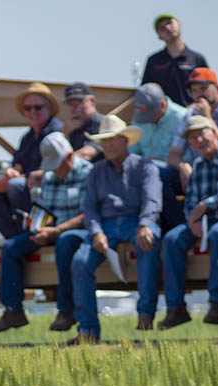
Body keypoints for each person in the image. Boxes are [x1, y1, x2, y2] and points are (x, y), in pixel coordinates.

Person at [0, 132, 92, 334]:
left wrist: (57, 230)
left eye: (56, 164)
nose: (53, 171)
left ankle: (66, 309)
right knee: (10, 247)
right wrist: (38, 227)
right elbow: (46, 210)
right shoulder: (50, 177)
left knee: (65, 243)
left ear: (69, 157)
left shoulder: (88, 174)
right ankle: (13, 309)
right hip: (51, 230)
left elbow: (87, 215)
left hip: (75, 232)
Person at [70, 115, 162, 343]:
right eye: (104, 141)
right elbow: (90, 209)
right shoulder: (96, 172)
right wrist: (96, 232)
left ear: (125, 140)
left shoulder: (145, 167)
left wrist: (144, 224)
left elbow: (152, 200)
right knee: (80, 262)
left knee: (149, 243)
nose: (108, 145)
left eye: (112, 140)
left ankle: (146, 313)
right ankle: (88, 330)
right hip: (106, 225)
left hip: (136, 221)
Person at [159, 116, 218, 329]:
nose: (199, 140)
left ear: (213, 131)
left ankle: (217, 303)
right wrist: (193, 220)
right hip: (203, 221)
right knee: (172, 239)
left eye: (201, 134)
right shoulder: (198, 165)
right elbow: (191, 200)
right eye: (193, 138)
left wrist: (205, 206)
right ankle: (175, 308)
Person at [0, 82, 63, 238]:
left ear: (48, 107)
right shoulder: (27, 138)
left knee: (16, 185)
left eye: (37, 107)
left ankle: (31, 230)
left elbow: (59, 167)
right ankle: (14, 236)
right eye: (28, 108)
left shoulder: (57, 132)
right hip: (27, 186)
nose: (32, 112)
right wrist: (12, 171)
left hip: (50, 188)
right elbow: (18, 162)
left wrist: (20, 177)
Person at [129, 82, 189, 232]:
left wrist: (158, 162)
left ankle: (177, 225)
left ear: (162, 105)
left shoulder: (182, 118)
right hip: (145, 172)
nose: (146, 119)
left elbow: (188, 158)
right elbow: (132, 154)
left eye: (150, 114)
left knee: (155, 173)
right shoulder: (139, 119)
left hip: (175, 173)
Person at [142, 13, 209, 107]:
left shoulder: (197, 59)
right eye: (162, 28)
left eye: (170, 23)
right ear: (159, 36)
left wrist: (192, 109)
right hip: (164, 118)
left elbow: (208, 90)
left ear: (180, 25)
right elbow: (146, 92)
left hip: (193, 114)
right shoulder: (153, 61)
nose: (167, 28)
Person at [61, 82, 104, 162]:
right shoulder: (71, 128)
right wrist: (64, 134)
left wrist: (60, 165)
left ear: (92, 101)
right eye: (71, 104)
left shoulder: (104, 124)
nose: (75, 109)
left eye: (79, 102)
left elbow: (86, 155)